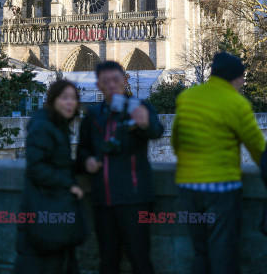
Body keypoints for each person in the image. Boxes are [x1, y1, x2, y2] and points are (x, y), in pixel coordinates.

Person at [171, 51, 266, 274]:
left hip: (187, 188)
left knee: (200, 252)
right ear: (234, 77)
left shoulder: (187, 97)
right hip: (221, 189)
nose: (244, 81)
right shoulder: (237, 104)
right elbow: (258, 149)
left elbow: (177, 141)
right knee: (223, 253)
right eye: (242, 76)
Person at [76, 61, 164, 274]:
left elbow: (157, 131)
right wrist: (87, 161)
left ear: (125, 81)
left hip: (135, 199)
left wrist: (145, 123)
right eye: (106, 82)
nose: (112, 85)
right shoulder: (92, 116)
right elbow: (81, 154)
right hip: (103, 200)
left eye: (116, 80)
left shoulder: (139, 107)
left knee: (140, 258)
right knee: (107, 261)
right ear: (98, 85)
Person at [14, 80, 84, 274]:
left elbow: (56, 163)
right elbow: (36, 168)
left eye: (74, 98)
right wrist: (69, 186)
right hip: (44, 211)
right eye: (65, 98)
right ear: (52, 100)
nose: (70, 103)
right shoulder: (44, 126)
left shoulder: (55, 125)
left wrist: (84, 165)